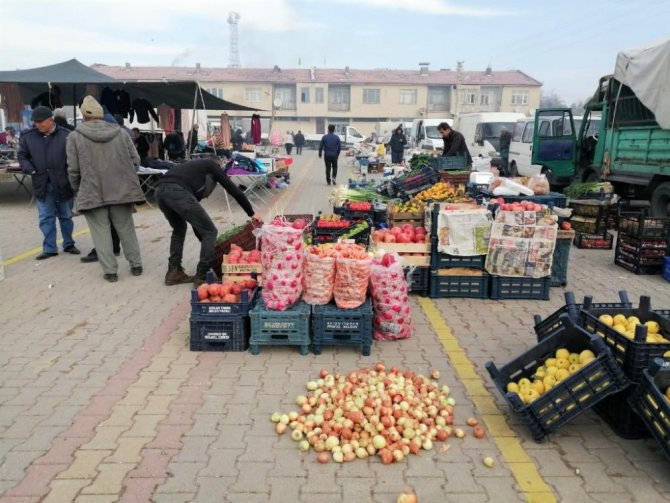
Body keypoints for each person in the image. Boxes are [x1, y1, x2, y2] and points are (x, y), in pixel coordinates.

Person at [66, 96, 145, 283]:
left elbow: (73, 169)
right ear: (101, 115)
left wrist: (78, 188)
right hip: (121, 191)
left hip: (92, 191)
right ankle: (136, 265)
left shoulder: (74, 137)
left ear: (84, 115)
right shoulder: (121, 133)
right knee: (126, 229)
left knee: (100, 233)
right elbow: (136, 161)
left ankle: (110, 272)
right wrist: (124, 177)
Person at [153, 157, 262, 286]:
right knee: (210, 232)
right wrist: (251, 213)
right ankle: (202, 275)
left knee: (179, 229)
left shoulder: (194, 169)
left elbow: (195, 222)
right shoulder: (212, 165)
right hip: (177, 191)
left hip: (159, 191)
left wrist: (206, 243)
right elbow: (234, 191)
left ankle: (174, 272)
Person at [18, 106, 80, 260]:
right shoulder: (28, 136)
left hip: (63, 183)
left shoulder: (67, 135)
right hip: (42, 183)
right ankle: (50, 248)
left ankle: (69, 244)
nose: (37, 125)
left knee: (66, 216)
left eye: (40, 122)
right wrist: (30, 170)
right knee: (46, 217)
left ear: (51, 120)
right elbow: (22, 156)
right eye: (35, 122)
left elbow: (75, 158)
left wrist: (72, 176)